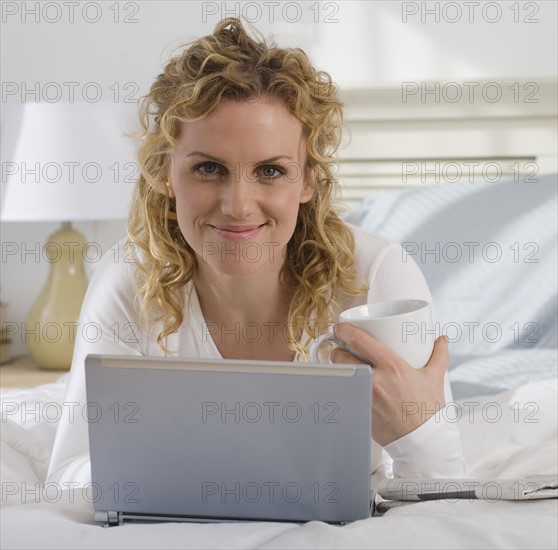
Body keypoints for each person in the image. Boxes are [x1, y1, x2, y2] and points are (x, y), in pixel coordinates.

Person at [47, 18, 467, 485]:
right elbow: (69, 474)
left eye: (270, 171)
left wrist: (414, 432)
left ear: (308, 180)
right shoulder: (130, 279)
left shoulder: (379, 277)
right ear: (166, 174)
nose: (238, 206)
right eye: (208, 168)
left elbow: (443, 486)